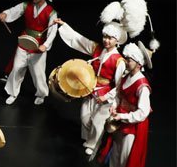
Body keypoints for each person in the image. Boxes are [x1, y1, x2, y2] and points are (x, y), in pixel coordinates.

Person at [54, 16, 126, 155]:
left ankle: (93, 144)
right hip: (90, 88)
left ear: (117, 41)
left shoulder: (119, 61)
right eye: (105, 36)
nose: (106, 40)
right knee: (85, 117)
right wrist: (64, 25)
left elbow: (119, 86)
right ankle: (89, 138)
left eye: (110, 38)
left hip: (105, 94)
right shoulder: (97, 48)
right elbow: (79, 40)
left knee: (98, 121)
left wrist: (106, 97)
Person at [98, 42, 154, 167]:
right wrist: (114, 106)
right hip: (121, 118)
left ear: (138, 62)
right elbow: (118, 94)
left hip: (133, 124)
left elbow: (143, 112)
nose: (126, 61)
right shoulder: (125, 76)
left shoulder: (142, 85)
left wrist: (122, 116)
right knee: (116, 150)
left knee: (127, 154)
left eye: (129, 59)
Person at [0, 0, 57, 105]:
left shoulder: (51, 12)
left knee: (38, 73)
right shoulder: (26, 6)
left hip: (38, 46)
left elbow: (53, 32)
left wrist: (45, 45)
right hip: (24, 42)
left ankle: (41, 94)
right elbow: (14, 10)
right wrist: (5, 14)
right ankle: (13, 93)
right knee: (17, 68)